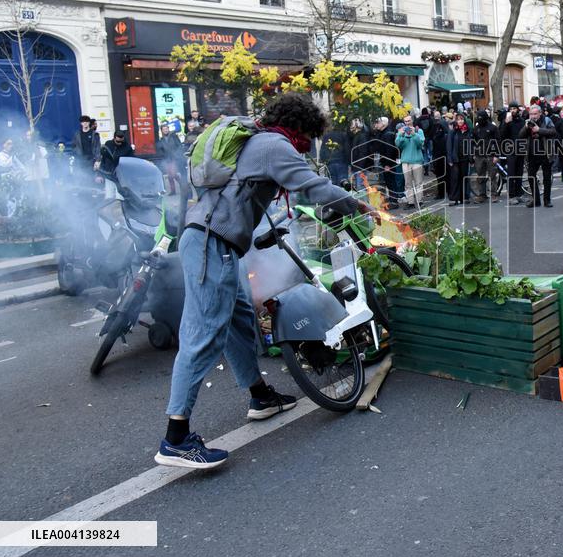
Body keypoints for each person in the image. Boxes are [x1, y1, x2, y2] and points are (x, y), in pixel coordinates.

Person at [156, 93, 376, 470]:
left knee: (241, 321)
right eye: (310, 137)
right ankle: (175, 437)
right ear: (301, 128)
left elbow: (259, 198)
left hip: (216, 242)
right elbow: (312, 185)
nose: (309, 145)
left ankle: (260, 396)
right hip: (213, 244)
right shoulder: (274, 144)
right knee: (203, 335)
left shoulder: (259, 141)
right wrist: (355, 203)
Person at [520, 104, 557, 208]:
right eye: (531, 114)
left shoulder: (547, 120)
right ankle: (536, 200)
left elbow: (553, 132)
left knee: (546, 178)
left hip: (545, 153)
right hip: (532, 154)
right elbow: (520, 135)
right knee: (531, 176)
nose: (533, 116)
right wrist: (526, 128)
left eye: (535, 113)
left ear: (540, 113)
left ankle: (547, 200)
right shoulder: (528, 122)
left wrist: (539, 130)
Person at [395, 114, 426, 209]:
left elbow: (420, 144)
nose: (407, 123)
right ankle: (410, 202)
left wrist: (414, 134)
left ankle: (420, 201)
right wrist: (400, 135)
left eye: (409, 121)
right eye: (405, 121)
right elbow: (398, 145)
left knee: (418, 183)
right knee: (407, 183)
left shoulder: (418, 131)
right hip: (405, 161)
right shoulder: (402, 132)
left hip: (417, 161)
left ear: (412, 120)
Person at [500, 102, 527, 204]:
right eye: (511, 109)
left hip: (520, 150)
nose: (512, 110)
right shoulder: (506, 121)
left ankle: (519, 193)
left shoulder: (522, 121)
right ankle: (511, 196)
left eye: (514, 108)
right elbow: (502, 135)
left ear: (518, 110)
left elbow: (525, 135)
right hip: (510, 151)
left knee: (519, 173)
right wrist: (506, 123)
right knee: (511, 173)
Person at [471, 110, 500, 203]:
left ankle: (494, 195)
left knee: (492, 176)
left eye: (481, 118)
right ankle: (482, 195)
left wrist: (496, 155)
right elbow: (473, 142)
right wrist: (474, 154)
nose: (479, 120)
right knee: (480, 176)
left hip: (491, 155)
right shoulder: (475, 129)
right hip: (479, 156)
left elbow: (498, 142)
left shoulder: (493, 128)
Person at [446, 113, 472, 205]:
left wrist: (471, 157)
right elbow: (449, 145)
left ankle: (464, 197)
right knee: (455, 178)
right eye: (458, 119)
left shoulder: (467, 131)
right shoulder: (453, 131)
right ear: (456, 121)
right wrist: (449, 159)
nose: (460, 121)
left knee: (464, 178)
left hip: (465, 158)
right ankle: (454, 198)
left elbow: (470, 145)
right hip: (455, 158)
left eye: (461, 119)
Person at [155, 122, 185, 194]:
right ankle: (173, 191)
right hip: (167, 159)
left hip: (174, 158)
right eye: (164, 129)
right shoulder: (161, 140)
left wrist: (178, 154)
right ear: (161, 131)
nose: (165, 130)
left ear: (168, 129)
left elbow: (179, 146)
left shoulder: (174, 136)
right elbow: (160, 150)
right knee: (170, 176)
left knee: (173, 174)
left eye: (166, 129)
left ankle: (183, 186)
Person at [430, 111, 449, 200]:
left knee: (444, 174)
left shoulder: (441, 126)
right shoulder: (435, 126)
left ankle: (445, 192)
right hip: (438, 154)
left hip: (443, 154)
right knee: (440, 175)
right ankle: (442, 192)